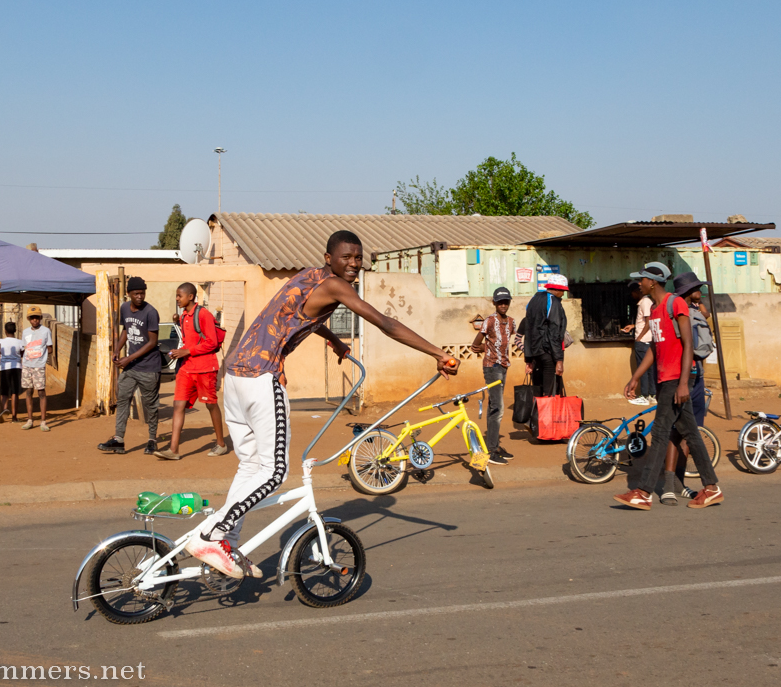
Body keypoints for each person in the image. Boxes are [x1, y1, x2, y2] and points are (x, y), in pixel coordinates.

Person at [184, 230, 459, 579]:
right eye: (347, 257)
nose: (354, 264)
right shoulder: (336, 285)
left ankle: (225, 539)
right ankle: (212, 535)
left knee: (251, 466)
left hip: (236, 378)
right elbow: (385, 323)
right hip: (261, 379)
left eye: (359, 258)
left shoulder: (306, 277)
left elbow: (293, 316)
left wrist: (333, 340)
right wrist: (437, 353)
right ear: (329, 258)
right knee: (275, 472)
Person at [614, 262, 723, 510]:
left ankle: (643, 491)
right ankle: (712, 488)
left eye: (642, 279)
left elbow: (687, 344)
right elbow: (655, 347)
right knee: (691, 434)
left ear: (652, 282)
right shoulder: (654, 309)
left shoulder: (677, 304)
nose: (639, 283)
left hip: (677, 379)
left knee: (661, 433)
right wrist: (637, 377)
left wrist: (685, 382)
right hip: (665, 379)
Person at [155, 284, 227, 461]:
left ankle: (221, 444)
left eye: (180, 296)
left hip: (205, 368)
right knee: (178, 406)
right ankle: (173, 450)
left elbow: (211, 342)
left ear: (191, 296)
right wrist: (179, 351)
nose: (177, 299)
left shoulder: (203, 315)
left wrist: (187, 351)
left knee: (210, 404)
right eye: (177, 296)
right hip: (187, 369)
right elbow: (189, 342)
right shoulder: (183, 317)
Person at [660, 271, 712, 504]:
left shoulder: (695, 311)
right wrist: (682, 382)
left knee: (690, 432)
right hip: (684, 377)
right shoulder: (678, 313)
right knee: (674, 430)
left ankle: (679, 482)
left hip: (696, 375)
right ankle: (668, 485)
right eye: (696, 287)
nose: (699, 290)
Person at [98, 277, 161, 456]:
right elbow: (126, 329)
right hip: (132, 367)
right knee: (123, 399)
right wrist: (117, 349)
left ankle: (152, 440)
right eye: (136, 293)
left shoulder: (151, 312)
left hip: (149, 367)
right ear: (129, 294)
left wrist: (128, 358)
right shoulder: (125, 308)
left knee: (150, 405)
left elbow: (152, 342)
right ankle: (118, 440)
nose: (140, 296)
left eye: (142, 293)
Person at [470, 286, 516, 465]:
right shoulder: (489, 321)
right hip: (491, 367)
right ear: (494, 303)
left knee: (493, 407)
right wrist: (489, 349)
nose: (503, 305)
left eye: (506, 302)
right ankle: (490, 451)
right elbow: (475, 346)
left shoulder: (511, 322)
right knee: (498, 409)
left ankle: (494, 445)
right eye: (500, 302)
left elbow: (507, 342)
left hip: (503, 367)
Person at [519, 273, 568, 398]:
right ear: (557, 289)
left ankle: (537, 414)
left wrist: (528, 358)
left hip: (535, 353)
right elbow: (554, 332)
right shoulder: (553, 302)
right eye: (563, 291)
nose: (563, 294)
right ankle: (546, 415)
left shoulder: (534, 299)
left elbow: (528, 330)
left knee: (538, 388)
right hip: (547, 352)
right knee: (549, 390)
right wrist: (559, 360)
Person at [621, 280, 656, 405]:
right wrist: (633, 326)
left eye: (632, 293)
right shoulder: (646, 302)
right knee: (650, 369)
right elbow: (644, 321)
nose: (632, 296)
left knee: (643, 368)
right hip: (647, 340)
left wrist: (639, 337)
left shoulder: (645, 302)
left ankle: (645, 395)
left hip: (643, 341)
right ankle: (652, 394)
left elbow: (648, 321)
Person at [21, 306, 53, 431]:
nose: (35, 320)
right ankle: (30, 420)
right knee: (28, 392)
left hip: (39, 366)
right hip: (27, 365)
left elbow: (50, 348)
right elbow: (24, 348)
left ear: (40, 318)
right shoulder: (25, 332)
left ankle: (43, 421)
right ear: (29, 319)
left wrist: (41, 354)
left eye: (37, 317)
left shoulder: (46, 331)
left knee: (41, 392)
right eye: (32, 318)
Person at [0, 321, 24, 421]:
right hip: (16, 367)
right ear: (15, 331)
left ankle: (4, 409)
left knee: (4, 392)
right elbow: (22, 353)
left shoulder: (0, 341)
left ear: (5, 331)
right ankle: (14, 416)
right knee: (15, 392)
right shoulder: (20, 342)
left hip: (4, 368)